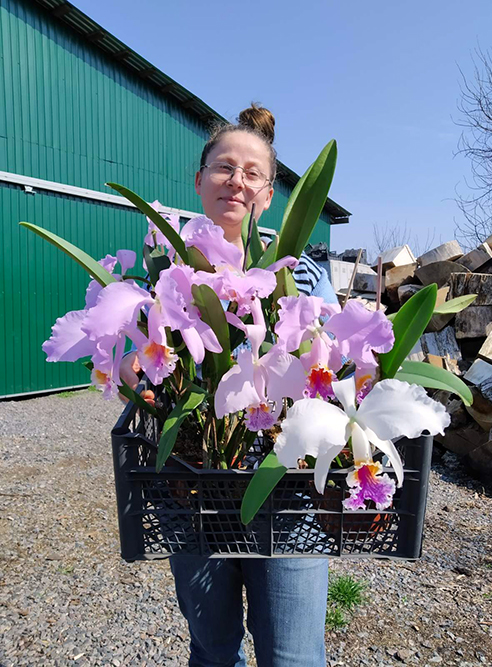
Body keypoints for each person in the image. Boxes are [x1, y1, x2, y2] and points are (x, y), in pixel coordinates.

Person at [121, 104, 339, 667]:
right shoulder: (166, 268)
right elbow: (143, 351)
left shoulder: (302, 274)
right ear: (199, 180)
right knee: (213, 652)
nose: (236, 182)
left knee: (292, 656)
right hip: (195, 488)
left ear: (268, 195)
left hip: (287, 492)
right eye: (223, 167)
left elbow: (334, 367)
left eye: (252, 174)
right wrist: (129, 366)